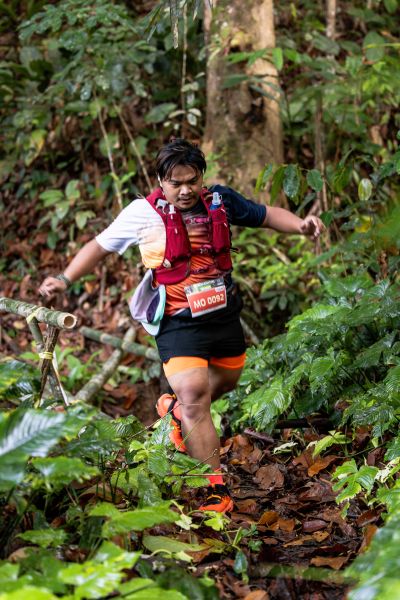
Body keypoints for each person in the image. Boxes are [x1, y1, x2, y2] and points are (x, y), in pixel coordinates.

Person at [39, 138, 324, 513]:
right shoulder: (143, 213)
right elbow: (100, 246)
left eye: (192, 181)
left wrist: (301, 225)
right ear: (161, 180)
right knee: (194, 395)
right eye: (176, 183)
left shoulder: (219, 200)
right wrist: (64, 278)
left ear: (201, 177)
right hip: (177, 320)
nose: (186, 190)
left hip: (222, 313)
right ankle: (215, 490)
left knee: (227, 380)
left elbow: (265, 214)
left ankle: (174, 413)